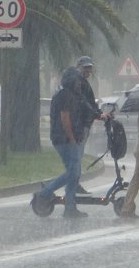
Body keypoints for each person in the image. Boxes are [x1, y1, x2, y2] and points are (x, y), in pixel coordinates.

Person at [33, 67, 89, 218]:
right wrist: (71, 138)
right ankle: (44, 193)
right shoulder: (66, 96)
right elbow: (65, 119)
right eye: (77, 80)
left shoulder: (69, 94)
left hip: (67, 138)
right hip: (65, 139)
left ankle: (70, 208)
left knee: (74, 173)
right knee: (73, 172)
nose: (79, 83)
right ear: (71, 80)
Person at [74, 56, 105, 193]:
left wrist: (100, 113)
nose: (88, 71)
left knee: (78, 156)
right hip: (78, 126)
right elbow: (83, 102)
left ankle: (74, 183)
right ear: (79, 67)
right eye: (85, 68)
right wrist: (97, 113)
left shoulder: (84, 84)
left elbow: (90, 102)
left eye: (89, 68)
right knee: (76, 157)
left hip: (84, 124)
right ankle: (73, 185)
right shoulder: (77, 83)